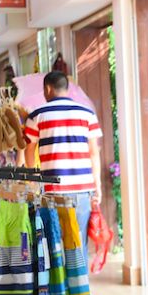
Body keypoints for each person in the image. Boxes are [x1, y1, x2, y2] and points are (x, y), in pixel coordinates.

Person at [23, 71, 103, 261]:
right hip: (82, 190)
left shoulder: (37, 115)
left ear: (48, 88)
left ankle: (59, 289)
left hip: (52, 191)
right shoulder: (87, 114)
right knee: (78, 244)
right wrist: (97, 186)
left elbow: (28, 149)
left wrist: (33, 181)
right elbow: (94, 152)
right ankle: (81, 288)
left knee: (54, 246)